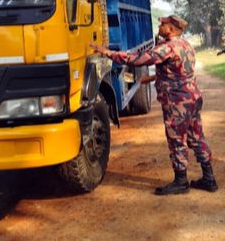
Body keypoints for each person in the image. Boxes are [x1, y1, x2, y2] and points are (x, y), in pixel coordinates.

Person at [90, 15, 217, 195]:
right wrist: (150, 79)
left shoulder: (168, 48)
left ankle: (181, 181)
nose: (160, 25)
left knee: (176, 140)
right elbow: (176, 72)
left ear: (172, 28)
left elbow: (136, 59)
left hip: (177, 102)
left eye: (163, 24)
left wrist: (107, 52)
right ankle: (209, 178)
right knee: (197, 137)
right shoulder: (186, 45)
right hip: (192, 98)